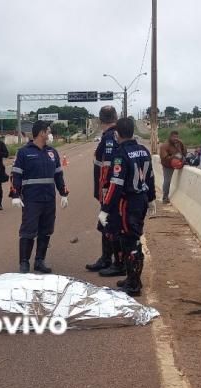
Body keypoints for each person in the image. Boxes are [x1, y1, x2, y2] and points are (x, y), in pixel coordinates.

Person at [99, 118, 156, 296]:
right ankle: (132, 278)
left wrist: (105, 208)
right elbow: (150, 177)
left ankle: (133, 284)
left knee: (129, 241)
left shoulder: (120, 154)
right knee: (134, 237)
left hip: (128, 202)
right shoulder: (144, 151)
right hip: (141, 199)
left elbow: (115, 185)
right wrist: (151, 198)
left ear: (117, 134)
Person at [10, 121, 69, 274]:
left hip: (48, 198)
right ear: (41, 133)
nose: (49, 133)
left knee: (46, 230)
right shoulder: (23, 152)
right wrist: (15, 194)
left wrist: (63, 193)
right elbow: (16, 175)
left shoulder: (52, 152)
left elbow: (58, 175)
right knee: (28, 230)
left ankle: (39, 261)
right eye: (48, 131)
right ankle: (24, 262)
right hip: (31, 199)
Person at [86, 106, 125, 278]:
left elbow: (108, 166)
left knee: (110, 224)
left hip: (109, 188)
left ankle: (116, 262)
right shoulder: (117, 135)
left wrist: (104, 190)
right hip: (114, 187)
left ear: (100, 120)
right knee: (107, 224)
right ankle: (107, 258)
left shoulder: (109, 137)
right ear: (115, 117)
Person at [159, 131, 187, 203]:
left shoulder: (179, 143)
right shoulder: (165, 145)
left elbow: (184, 153)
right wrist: (174, 156)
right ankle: (165, 198)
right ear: (170, 137)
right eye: (174, 137)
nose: (176, 138)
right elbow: (164, 158)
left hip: (178, 163)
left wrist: (182, 143)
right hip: (167, 165)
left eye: (177, 137)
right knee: (167, 180)